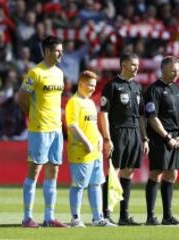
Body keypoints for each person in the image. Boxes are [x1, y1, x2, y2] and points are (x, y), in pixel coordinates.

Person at [18, 36, 68, 228]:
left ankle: (49, 217)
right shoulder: (35, 73)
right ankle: (27, 218)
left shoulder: (59, 73)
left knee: (53, 171)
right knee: (34, 170)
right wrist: (32, 115)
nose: (61, 53)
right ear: (47, 51)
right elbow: (22, 97)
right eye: (57, 51)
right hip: (39, 129)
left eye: (61, 50)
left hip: (56, 129)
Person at [100, 52, 148, 225]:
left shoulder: (137, 87)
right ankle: (105, 215)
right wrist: (107, 138)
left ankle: (124, 216)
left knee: (129, 172)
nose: (137, 68)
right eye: (133, 64)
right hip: (118, 132)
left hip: (134, 133)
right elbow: (103, 114)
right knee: (114, 172)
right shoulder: (112, 86)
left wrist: (144, 138)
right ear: (124, 65)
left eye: (137, 64)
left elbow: (142, 115)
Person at [66, 71, 116, 227]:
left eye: (94, 85)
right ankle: (76, 219)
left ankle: (97, 218)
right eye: (89, 85)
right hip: (81, 151)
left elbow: (92, 125)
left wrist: (100, 138)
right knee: (79, 185)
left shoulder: (89, 102)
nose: (92, 88)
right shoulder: (74, 102)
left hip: (95, 151)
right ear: (81, 83)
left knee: (96, 184)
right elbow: (72, 125)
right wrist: (87, 142)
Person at [144, 56, 179, 225]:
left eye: (178, 70)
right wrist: (167, 137)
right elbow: (152, 117)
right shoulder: (154, 90)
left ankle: (167, 216)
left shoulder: (177, 89)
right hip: (160, 137)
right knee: (157, 173)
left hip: (176, 138)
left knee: (172, 174)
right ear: (163, 69)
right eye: (173, 70)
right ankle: (150, 216)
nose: (176, 73)